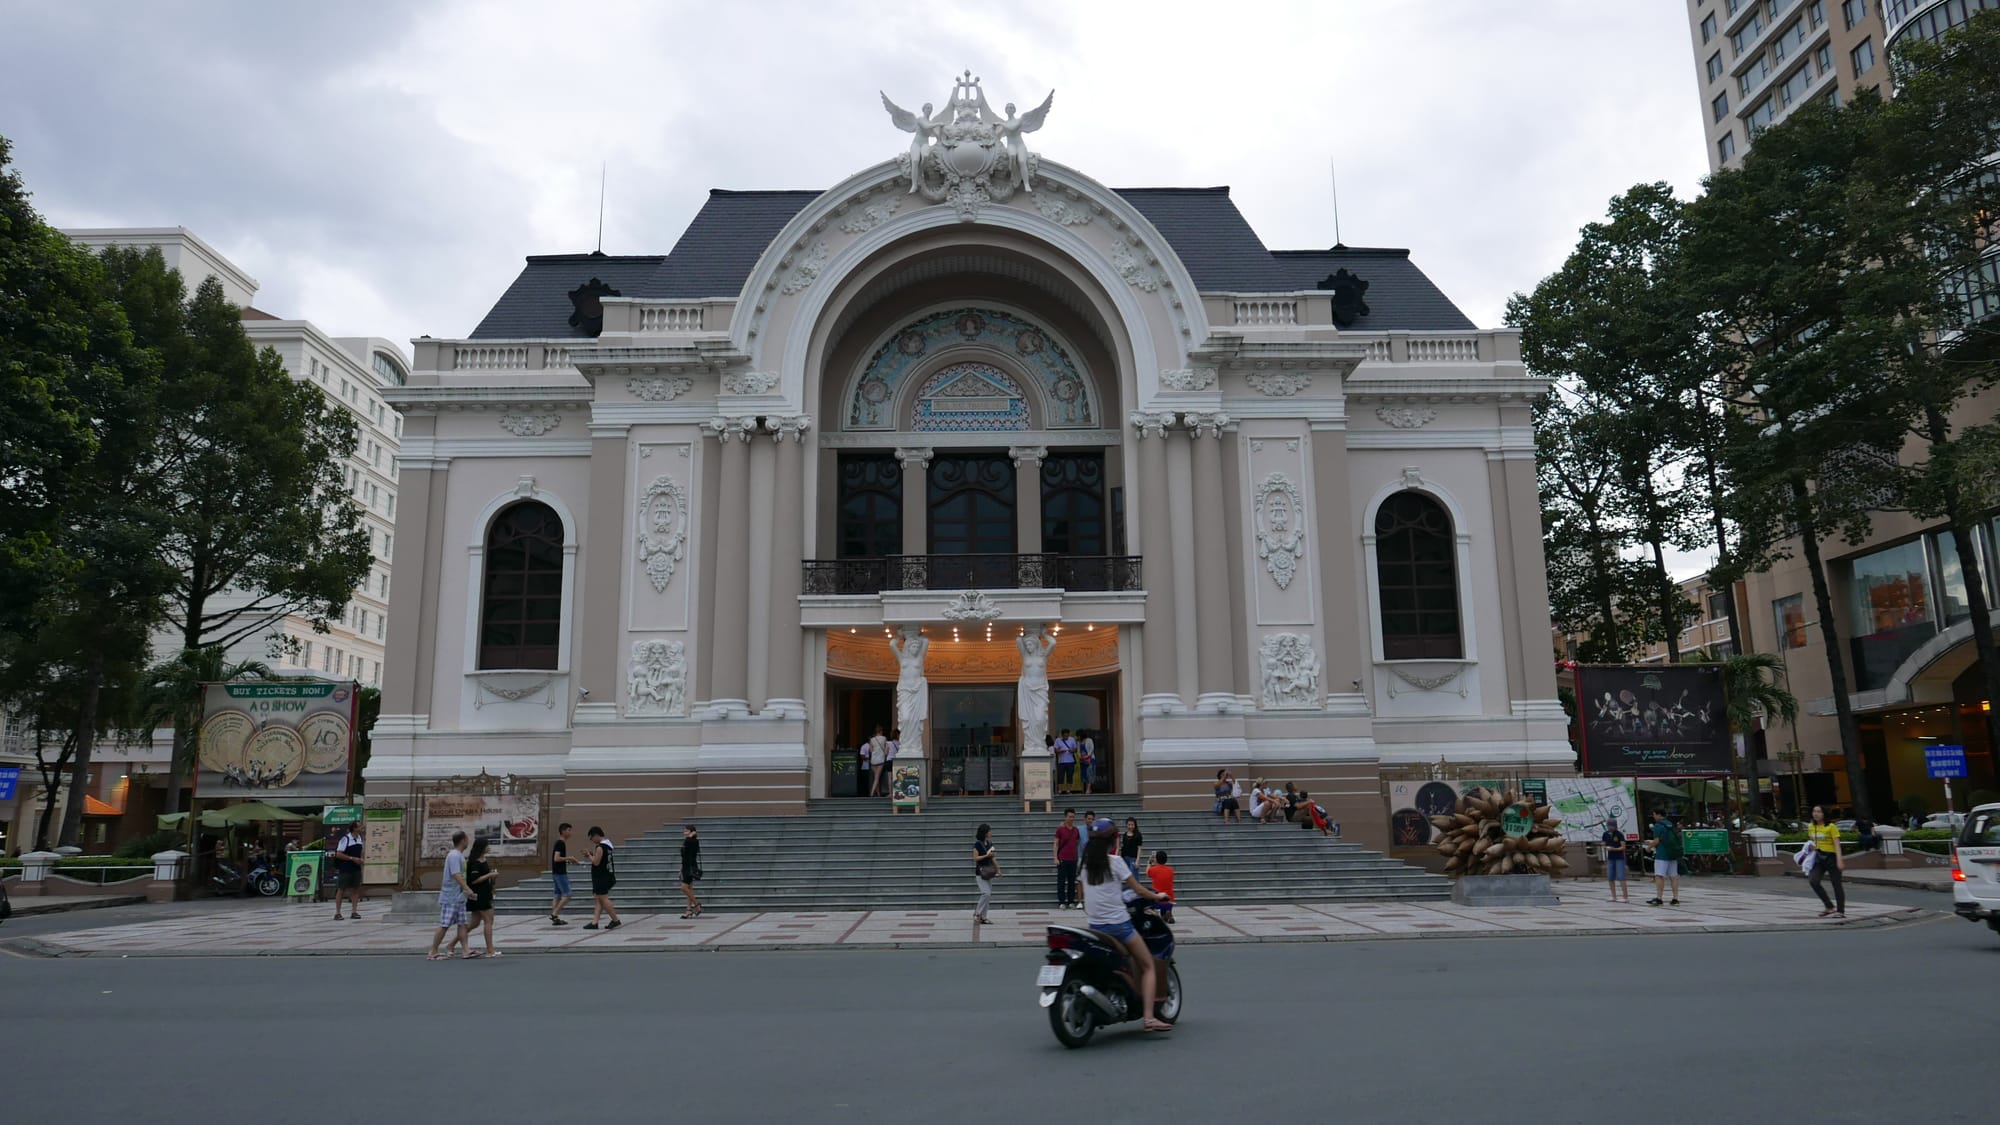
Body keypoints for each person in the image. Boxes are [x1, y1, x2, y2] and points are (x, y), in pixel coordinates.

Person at [1077, 818, 1172, 1033]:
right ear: (1112, 841)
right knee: (1148, 965)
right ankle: (1149, 1018)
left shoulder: (1084, 863)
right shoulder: (1116, 862)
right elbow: (1139, 890)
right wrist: (1157, 896)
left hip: (1095, 926)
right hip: (1119, 926)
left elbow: (1081, 892)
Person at [426, 831, 474, 961]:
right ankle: (433, 951)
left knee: (462, 924)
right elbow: (456, 874)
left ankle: (466, 950)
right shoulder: (453, 856)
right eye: (467, 839)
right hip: (450, 896)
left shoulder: (459, 856)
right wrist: (467, 888)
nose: (468, 842)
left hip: (459, 897)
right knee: (445, 924)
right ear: (463, 840)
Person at [1806, 805, 1846, 918]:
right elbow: (1812, 841)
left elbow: (1837, 844)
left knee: (1836, 884)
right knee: (1813, 880)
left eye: (1819, 812)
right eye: (1814, 811)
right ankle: (1829, 906)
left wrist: (1840, 860)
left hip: (1831, 857)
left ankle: (1840, 911)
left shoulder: (1831, 827)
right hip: (1818, 857)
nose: (1816, 814)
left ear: (1824, 814)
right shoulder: (1811, 827)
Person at [464, 837, 501, 958]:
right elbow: (474, 880)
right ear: (481, 847)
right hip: (479, 895)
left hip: (485, 892)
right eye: (487, 845)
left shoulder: (483, 860)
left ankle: (451, 944)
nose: (488, 847)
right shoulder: (474, 862)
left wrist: (492, 879)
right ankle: (490, 950)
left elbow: (485, 878)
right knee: (489, 920)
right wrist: (489, 874)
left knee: (474, 923)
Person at [582, 826, 622, 930]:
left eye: (591, 838)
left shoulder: (600, 847)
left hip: (601, 876)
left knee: (603, 898)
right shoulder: (608, 845)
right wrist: (592, 855)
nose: (592, 840)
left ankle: (615, 920)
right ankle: (595, 922)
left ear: (596, 835)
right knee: (598, 899)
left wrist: (588, 855)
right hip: (607, 874)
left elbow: (596, 862)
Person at [1645, 809, 1682, 907]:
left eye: (1654, 814)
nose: (1653, 817)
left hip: (1662, 854)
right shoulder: (1670, 824)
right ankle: (1675, 899)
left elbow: (1657, 841)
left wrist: (1649, 847)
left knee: (1659, 876)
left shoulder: (1658, 825)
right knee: (1673, 877)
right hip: (1672, 854)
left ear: (1658, 815)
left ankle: (1659, 898)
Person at [331, 820, 365, 919]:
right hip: (346, 868)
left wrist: (360, 859)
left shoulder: (359, 838)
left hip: (356, 868)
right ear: (354, 828)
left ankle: (354, 911)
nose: (361, 828)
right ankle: (338, 912)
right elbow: (338, 854)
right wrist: (352, 858)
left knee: (355, 889)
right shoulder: (345, 839)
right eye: (359, 826)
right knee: (341, 889)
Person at [1052, 808, 1081, 910]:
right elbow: (1056, 843)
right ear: (1065, 817)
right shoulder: (1060, 829)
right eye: (1070, 817)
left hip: (1073, 859)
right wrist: (1055, 857)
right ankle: (1061, 902)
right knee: (1061, 881)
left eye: (1073, 817)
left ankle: (1071, 901)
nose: (1071, 819)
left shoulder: (1076, 830)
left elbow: (1077, 843)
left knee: (1072, 881)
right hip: (1062, 858)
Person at [973, 822, 1000, 924]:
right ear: (985, 833)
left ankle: (983, 917)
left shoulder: (989, 844)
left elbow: (993, 859)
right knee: (986, 893)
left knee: (988, 895)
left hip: (988, 871)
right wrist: (986, 856)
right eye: (989, 831)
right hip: (980, 872)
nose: (991, 833)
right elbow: (975, 858)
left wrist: (998, 870)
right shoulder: (977, 844)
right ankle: (977, 913)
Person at [548, 822, 573, 926]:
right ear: (563, 831)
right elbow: (556, 858)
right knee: (567, 895)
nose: (570, 832)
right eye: (568, 830)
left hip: (556, 872)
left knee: (557, 895)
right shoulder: (560, 843)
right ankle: (554, 914)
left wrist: (567, 861)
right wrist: (569, 858)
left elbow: (557, 859)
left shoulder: (559, 843)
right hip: (560, 873)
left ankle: (555, 919)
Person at [1600, 819, 1630, 903]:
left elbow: (1623, 847)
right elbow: (1603, 843)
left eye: (1612, 827)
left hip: (1619, 857)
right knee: (1610, 877)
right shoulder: (1605, 834)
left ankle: (1625, 897)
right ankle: (1613, 896)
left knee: (1621, 877)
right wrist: (1605, 846)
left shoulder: (1619, 834)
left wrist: (1614, 849)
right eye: (1609, 827)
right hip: (1610, 858)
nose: (1611, 828)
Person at [679, 824, 702, 919]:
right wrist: (680, 869)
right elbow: (684, 857)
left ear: (692, 832)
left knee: (683, 888)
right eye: (684, 831)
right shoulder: (687, 841)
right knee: (690, 889)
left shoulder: (693, 841)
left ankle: (697, 905)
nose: (684, 832)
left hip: (690, 867)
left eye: (686, 831)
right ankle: (688, 910)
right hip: (685, 867)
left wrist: (691, 837)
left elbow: (692, 854)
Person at [867, 725, 889, 797]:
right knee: (877, 778)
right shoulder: (884, 738)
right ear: (881, 731)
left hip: (873, 760)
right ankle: (872, 793)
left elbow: (870, 750)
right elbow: (885, 752)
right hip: (880, 759)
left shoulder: (872, 739)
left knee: (876, 777)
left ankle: (878, 793)